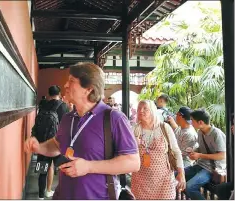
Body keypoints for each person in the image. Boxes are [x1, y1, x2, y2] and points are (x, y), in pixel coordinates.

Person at [25, 62, 140, 199]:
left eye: (71, 81)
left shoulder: (114, 119)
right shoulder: (68, 118)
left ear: (89, 89)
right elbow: (57, 144)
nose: (66, 85)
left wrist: (89, 167)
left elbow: (133, 162)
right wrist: (39, 147)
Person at [131, 100, 186, 200]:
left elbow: (176, 151)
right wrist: (133, 144)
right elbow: (125, 151)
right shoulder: (134, 129)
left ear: (152, 111)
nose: (141, 111)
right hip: (140, 181)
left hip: (164, 180)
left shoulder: (164, 128)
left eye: (145, 109)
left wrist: (181, 173)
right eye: (139, 108)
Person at [34, 86, 69, 199]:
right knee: (63, 169)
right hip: (56, 143)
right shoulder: (63, 106)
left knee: (43, 170)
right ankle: (53, 191)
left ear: (48, 94)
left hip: (43, 142)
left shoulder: (43, 104)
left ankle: (40, 196)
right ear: (59, 93)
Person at [184, 109, 226, 200]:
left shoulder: (216, 134)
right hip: (200, 165)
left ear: (200, 122)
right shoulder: (200, 132)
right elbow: (201, 148)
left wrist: (199, 155)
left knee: (190, 187)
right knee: (177, 176)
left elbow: (222, 155)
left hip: (212, 168)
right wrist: (194, 151)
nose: (190, 122)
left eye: (192, 120)